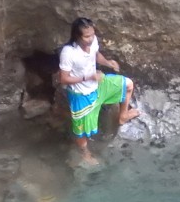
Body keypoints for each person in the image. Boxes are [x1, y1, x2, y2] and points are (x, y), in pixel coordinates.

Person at [58, 17, 140, 165]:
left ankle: (123, 116)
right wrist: (89, 77)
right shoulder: (68, 52)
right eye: (86, 36)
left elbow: (96, 55)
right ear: (77, 36)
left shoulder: (93, 41)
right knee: (81, 131)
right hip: (81, 95)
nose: (91, 39)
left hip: (98, 85)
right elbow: (64, 79)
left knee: (128, 84)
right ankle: (85, 154)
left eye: (92, 34)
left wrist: (108, 63)